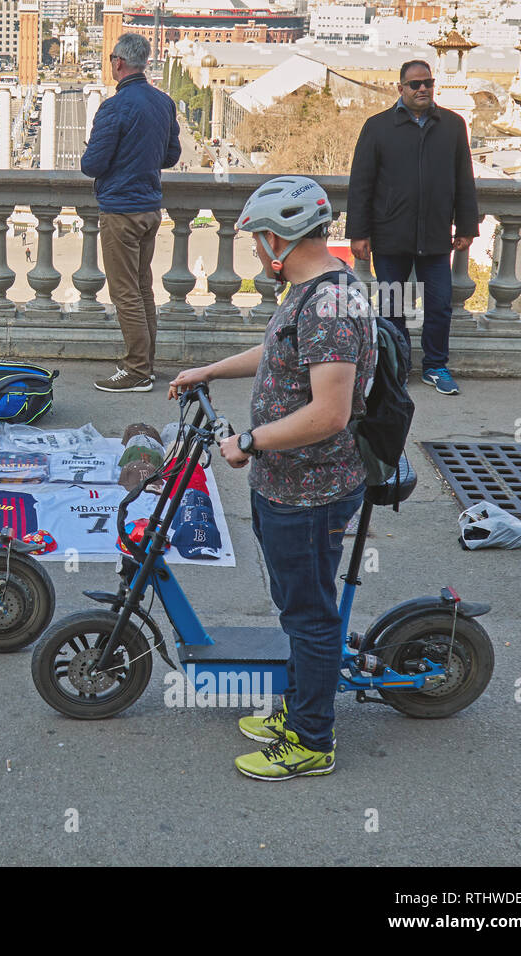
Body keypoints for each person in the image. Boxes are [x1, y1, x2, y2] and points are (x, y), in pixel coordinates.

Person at [169, 178, 376, 781]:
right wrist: (209, 369)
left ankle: (312, 740)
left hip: (310, 491)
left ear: (276, 238)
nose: (258, 255)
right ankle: (298, 707)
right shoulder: (311, 292)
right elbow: (277, 352)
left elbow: (329, 414)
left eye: (258, 243)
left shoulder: (331, 307)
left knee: (310, 618)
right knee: (297, 610)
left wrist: (249, 442)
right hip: (284, 484)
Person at [347, 59, 478, 396]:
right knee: (394, 306)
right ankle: (397, 368)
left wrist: (466, 226)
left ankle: (436, 366)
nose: (423, 89)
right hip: (391, 235)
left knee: (439, 304)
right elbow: (361, 184)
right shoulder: (377, 127)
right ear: (400, 88)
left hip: (435, 237)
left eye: (428, 83)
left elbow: (464, 179)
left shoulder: (452, 125)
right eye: (415, 84)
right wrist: (359, 233)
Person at [81, 32, 181, 394]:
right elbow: (171, 156)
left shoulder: (114, 107)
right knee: (142, 288)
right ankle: (146, 365)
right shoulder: (163, 102)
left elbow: (92, 164)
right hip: (150, 208)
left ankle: (137, 370)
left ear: (119, 63)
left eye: (111, 60)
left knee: (125, 292)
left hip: (120, 211)